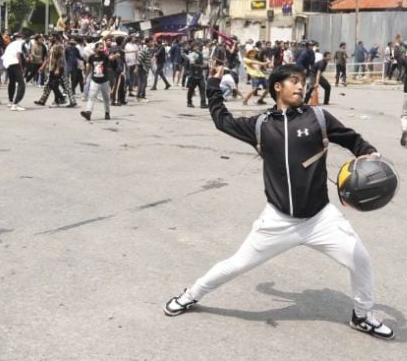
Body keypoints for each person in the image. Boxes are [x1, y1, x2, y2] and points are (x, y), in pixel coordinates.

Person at [163, 64, 394, 340]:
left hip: (320, 218)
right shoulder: (261, 125)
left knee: (361, 259)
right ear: (277, 87)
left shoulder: (318, 117)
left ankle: (363, 316)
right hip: (278, 220)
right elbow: (222, 121)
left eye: (302, 81)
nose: (300, 86)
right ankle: (190, 295)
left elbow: (351, 139)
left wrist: (368, 152)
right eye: (294, 81)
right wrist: (213, 85)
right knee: (237, 264)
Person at [80, 41, 113, 121]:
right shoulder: (91, 57)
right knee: (91, 96)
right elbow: (88, 67)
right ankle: (88, 112)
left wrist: (115, 56)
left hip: (104, 81)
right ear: (95, 49)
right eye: (100, 48)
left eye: (102, 48)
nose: (101, 50)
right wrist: (85, 78)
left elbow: (111, 58)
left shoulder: (105, 56)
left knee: (106, 98)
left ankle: (107, 112)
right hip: (94, 80)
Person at [2, 32, 27, 111]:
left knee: (12, 83)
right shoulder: (19, 43)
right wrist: (21, 67)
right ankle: (15, 104)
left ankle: (10, 101)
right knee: (21, 84)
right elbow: (18, 55)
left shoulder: (10, 44)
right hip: (15, 64)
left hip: (8, 65)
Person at [185, 42, 207, 108]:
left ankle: (203, 103)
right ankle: (189, 102)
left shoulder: (200, 54)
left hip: (200, 75)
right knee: (191, 89)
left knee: (202, 88)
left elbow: (203, 62)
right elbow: (192, 64)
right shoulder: (192, 54)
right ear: (194, 47)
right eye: (198, 46)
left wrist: (206, 66)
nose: (200, 47)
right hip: (193, 75)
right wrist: (200, 66)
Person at [135, 37, 153, 102]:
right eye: (151, 42)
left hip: (145, 68)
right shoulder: (145, 50)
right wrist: (136, 68)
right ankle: (140, 97)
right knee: (142, 83)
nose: (152, 43)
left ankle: (142, 96)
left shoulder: (148, 49)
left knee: (143, 83)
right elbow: (139, 59)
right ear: (147, 43)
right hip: (142, 68)